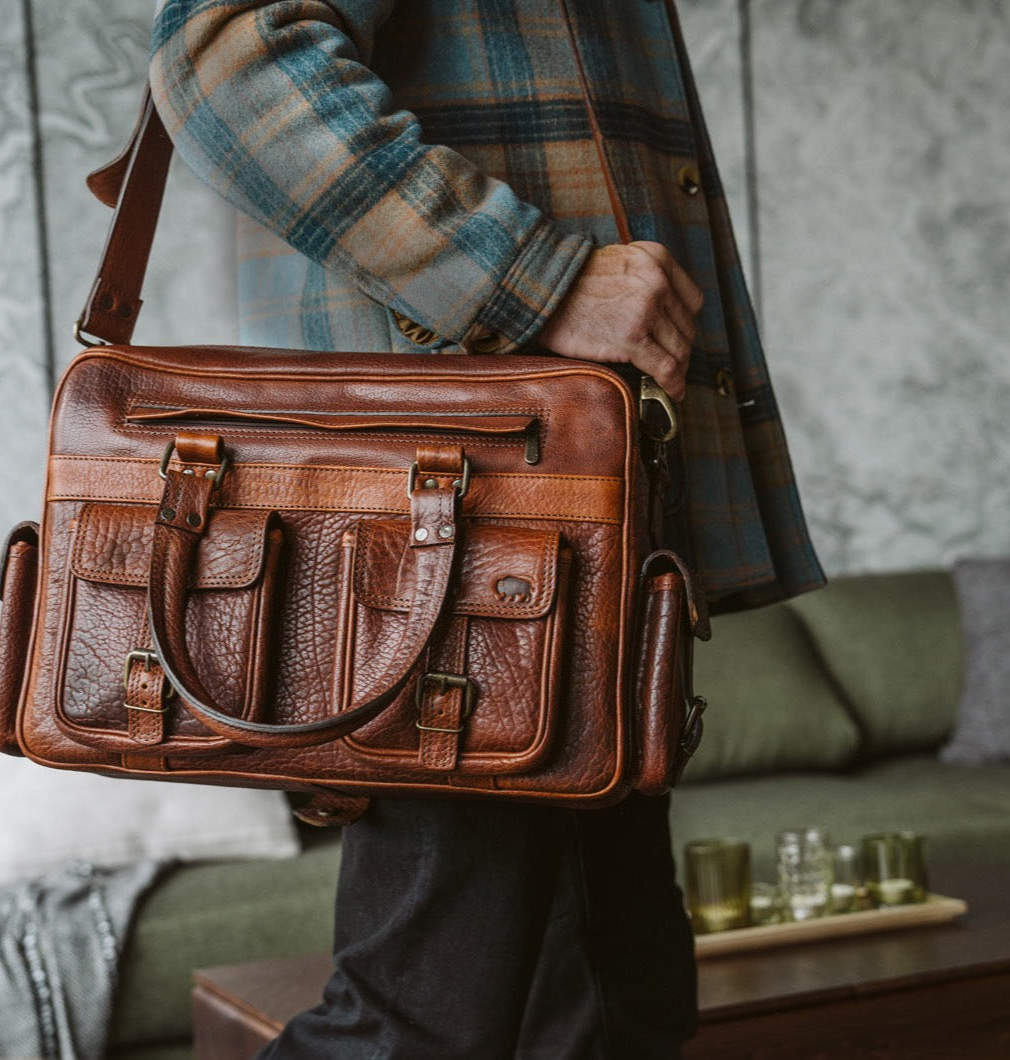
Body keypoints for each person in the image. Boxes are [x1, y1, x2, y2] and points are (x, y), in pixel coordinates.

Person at [149, 2, 825, 1056]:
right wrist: (534, 279)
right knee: (420, 1024)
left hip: (568, 506)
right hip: (458, 523)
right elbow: (227, 59)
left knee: (616, 1002)